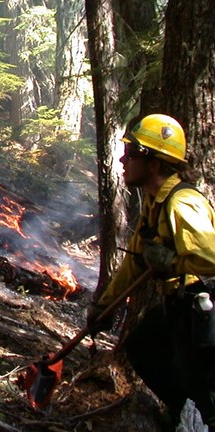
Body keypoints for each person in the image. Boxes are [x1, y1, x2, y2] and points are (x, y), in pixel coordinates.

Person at [86, 113, 215, 429]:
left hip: (202, 309)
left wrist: (170, 263)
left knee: (199, 382)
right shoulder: (154, 205)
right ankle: (184, 416)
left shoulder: (182, 202)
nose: (122, 159)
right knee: (142, 346)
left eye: (131, 154)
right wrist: (103, 307)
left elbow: (210, 259)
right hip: (178, 304)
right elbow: (135, 263)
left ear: (154, 163)